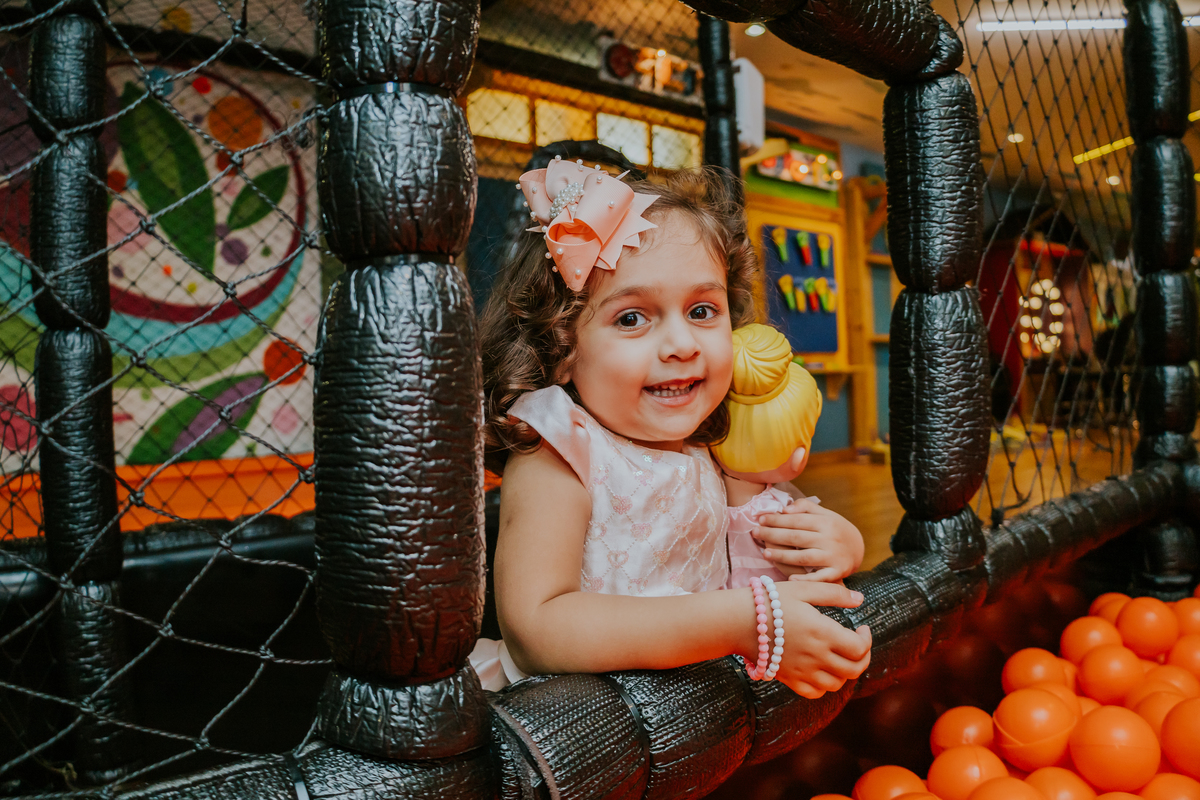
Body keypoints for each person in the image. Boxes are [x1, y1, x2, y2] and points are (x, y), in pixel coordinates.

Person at [471, 162, 871, 699]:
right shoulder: (560, 449)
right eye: (632, 318)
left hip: (687, 713)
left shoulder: (709, 445)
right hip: (580, 726)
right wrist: (741, 621)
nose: (682, 344)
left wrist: (837, 544)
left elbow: (773, 531)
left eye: (703, 310)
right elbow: (537, 629)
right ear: (560, 346)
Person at [713, 323, 864, 589]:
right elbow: (815, 581)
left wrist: (852, 546)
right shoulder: (777, 514)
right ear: (799, 456)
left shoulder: (703, 489)